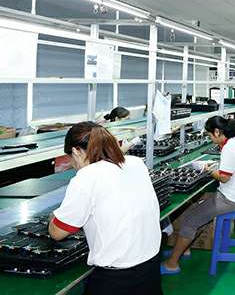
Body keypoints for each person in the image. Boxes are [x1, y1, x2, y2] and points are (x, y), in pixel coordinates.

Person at [48, 122, 162, 295]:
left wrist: (53, 217)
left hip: (117, 280)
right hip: (150, 268)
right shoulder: (135, 163)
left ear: (76, 151)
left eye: (70, 158)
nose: (73, 164)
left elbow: (57, 232)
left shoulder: (87, 177)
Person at [162, 116, 235, 274]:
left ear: (217, 132)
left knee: (190, 220)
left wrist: (209, 170)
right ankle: (184, 249)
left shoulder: (230, 148)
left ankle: (172, 264)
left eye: (210, 135)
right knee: (196, 212)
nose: (210, 138)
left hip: (232, 199)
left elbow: (224, 178)